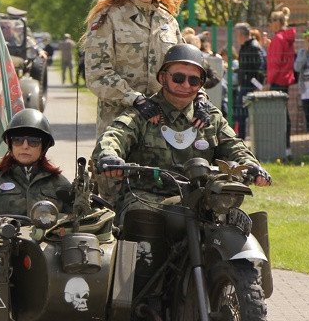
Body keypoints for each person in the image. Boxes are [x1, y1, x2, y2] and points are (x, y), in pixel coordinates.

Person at [92, 43, 271, 215]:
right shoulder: (143, 114)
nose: (186, 85)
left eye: (194, 80)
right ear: (162, 78)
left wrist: (252, 166)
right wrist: (109, 155)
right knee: (141, 217)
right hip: (148, 198)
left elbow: (234, 147)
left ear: (201, 84)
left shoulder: (210, 117)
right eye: (178, 78)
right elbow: (115, 135)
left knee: (235, 224)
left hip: (201, 197)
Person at [84, 0, 210, 140]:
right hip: (120, 127)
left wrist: (200, 96)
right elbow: (97, 74)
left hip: (164, 127)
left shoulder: (168, 21)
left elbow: (187, 68)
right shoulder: (108, 18)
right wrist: (136, 99)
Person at [0, 109, 72, 228]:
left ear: (43, 147)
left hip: (49, 245)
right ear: (10, 144)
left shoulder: (57, 182)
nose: (25, 146)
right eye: (17, 140)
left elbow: (79, 222)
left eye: (33, 141)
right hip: (3, 243)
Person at [266, 7, 296, 157]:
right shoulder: (285, 38)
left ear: (278, 22)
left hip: (277, 81)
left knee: (279, 116)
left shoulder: (278, 39)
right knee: (283, 114)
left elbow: (275, 63)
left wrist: (268, 82)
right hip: (285, 80)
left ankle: (281, 148)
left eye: (271, 21)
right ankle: (286, 148)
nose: (269, 24)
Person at [233, 22, 267, 139]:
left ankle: (242, 137)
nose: (236, 38)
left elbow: (260, 68)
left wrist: (258, 86)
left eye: (237, 35)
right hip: (244, 84)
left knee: (243, 114)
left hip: (250, 86)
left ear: (242, 34)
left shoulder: (253, 46)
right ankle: (241, 137)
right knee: (240, 114)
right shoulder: (245, 46)